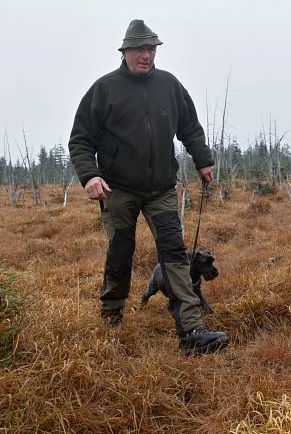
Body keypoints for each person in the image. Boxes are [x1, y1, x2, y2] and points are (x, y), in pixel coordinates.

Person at [68, 19, 228, 354]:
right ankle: (111, 319)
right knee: (119, 255)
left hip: (161, 189)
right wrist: (90, 176)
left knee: (174, 254)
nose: (146, 55)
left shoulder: (169, 85)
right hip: (118, 190)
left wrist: (202, 158)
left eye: (151, 49)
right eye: (139, 49)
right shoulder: (104, 89)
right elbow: (81, 139)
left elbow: (190, 127)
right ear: (125, 52)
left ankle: (191, 331)